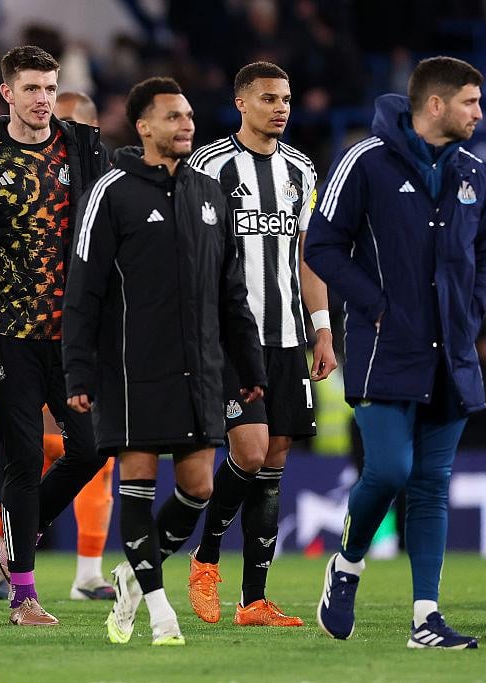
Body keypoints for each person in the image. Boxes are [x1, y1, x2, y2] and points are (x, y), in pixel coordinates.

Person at [305, 56, 486, 649]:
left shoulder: (475, 172)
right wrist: (377, 305)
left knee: (431, 485)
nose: (479, 113)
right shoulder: (364, 161)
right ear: (435, 105)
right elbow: (322, 244)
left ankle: (425, 618)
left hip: (451, 353)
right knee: (389, 469)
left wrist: (470, 312)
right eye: (470, 101)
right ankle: (347, 563)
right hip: (383, 349)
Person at [63, 76, 265, 646]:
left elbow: (231, 292)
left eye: (190, 117)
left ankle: (132, 573)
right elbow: (83, 292)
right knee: (139, 479)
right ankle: (159, 611)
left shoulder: (209, 194)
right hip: (130, 368)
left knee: (198, 487)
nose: (187, 126)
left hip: (199, 368)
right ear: (144, 126)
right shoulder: (111, 192)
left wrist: (249, 366)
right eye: (174, 117)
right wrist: (77, 371)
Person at [182, 61, 337, 627]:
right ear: (241, 102)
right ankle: (203, 562)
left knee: (273, 461)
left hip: (289, 336)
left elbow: (307, 257)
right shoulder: (209, 165)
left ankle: (253, 601)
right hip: (228, 338)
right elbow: (193, 253)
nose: (282, 108)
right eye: (269, 98)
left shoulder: (301, 170)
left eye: (288, 99)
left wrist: (321, 327)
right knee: (247, 452)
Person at [0, 46, 111, 626]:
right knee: (24, 460)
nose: (43, 99)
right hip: (7, 335)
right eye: (31, 88)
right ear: (8, 93)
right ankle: (25, 596)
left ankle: (9, 542)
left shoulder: (80, 147)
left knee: (90, 450)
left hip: (69, 334)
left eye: (49, 88)